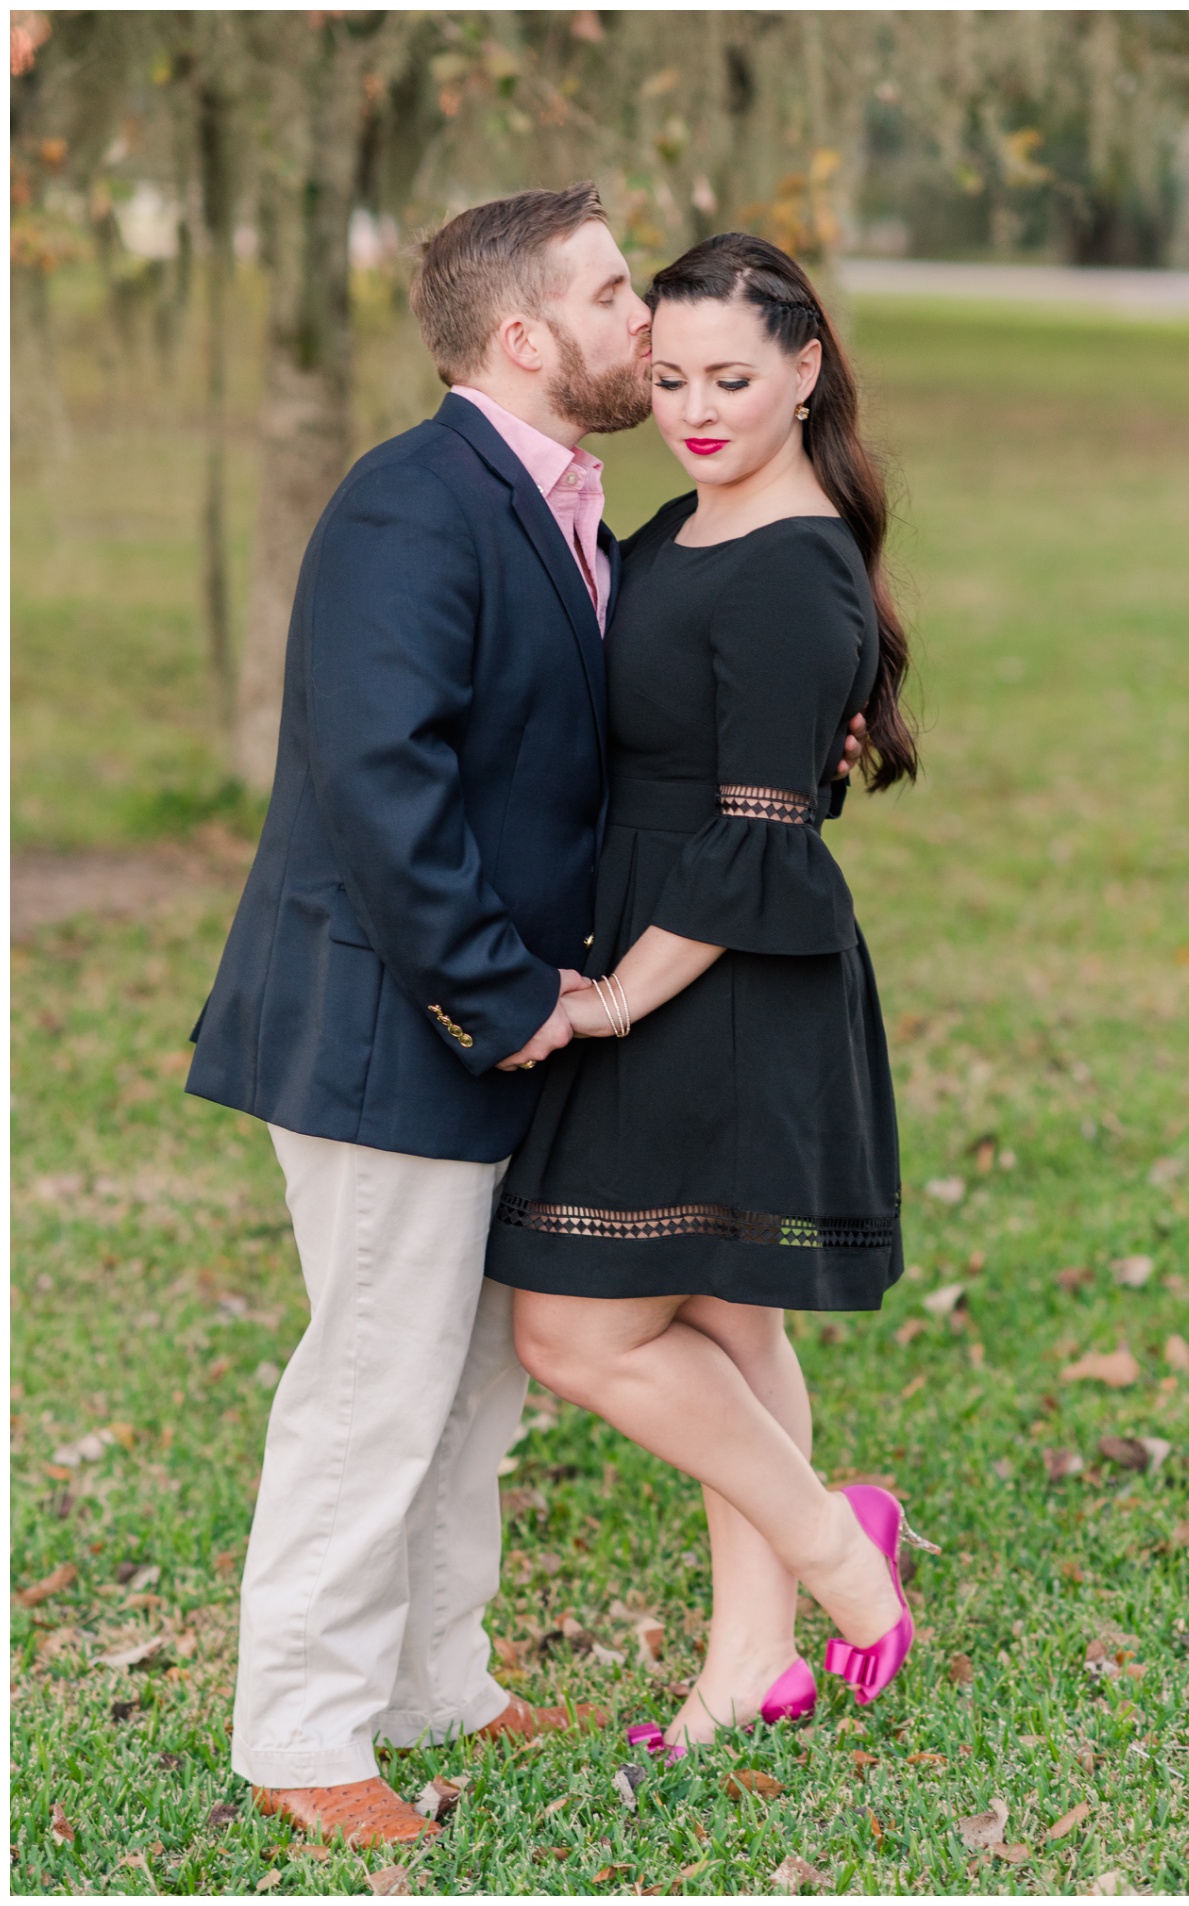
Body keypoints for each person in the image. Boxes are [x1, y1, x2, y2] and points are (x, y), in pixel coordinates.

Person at [186, 187, 867, 1846]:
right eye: (617, 293)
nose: (652, 323)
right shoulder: (414, 503)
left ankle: (439, 1679)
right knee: (373, 1382)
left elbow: (634, 737)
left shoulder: (568, 500)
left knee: (475, 1382)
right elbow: (379, 777)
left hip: (516, 1023)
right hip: (389, 1026)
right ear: (524, 335)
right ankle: (300, 1730)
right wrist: (506, 998)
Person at [487, 233, 937, 1755]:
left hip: (713, 984)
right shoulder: (691, 518)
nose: (693, 406)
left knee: (576, 1331)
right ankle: (752, 1661)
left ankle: (833, 1556)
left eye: (732, 379)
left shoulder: (797, 570)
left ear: (806, 371)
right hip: (665, 941)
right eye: (670, 376)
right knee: (735, 1329)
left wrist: (613, 1000)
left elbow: (757, 837)